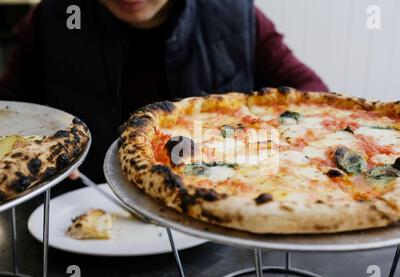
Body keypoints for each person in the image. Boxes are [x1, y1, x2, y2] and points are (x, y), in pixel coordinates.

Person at [0, 0, 328, 182]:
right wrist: (40, 156)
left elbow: (312, 97)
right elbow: (9, 113)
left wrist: (257, 142)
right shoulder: (53, 18)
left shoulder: (234, 13)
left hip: (219, 209)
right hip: (81, 211)